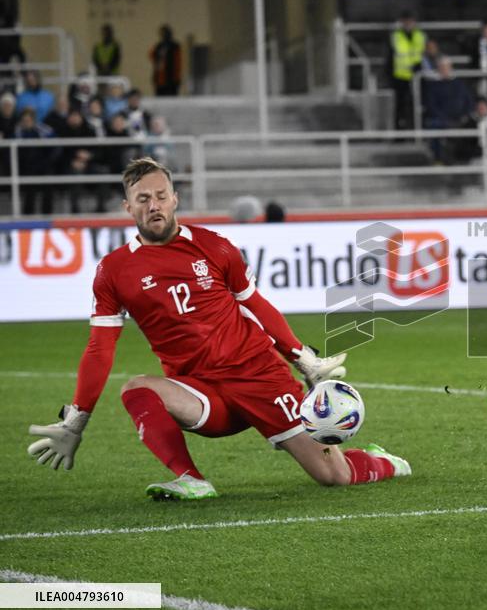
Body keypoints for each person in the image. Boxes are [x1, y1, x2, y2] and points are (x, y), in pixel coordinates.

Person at [26, 158, 411, 499]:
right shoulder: (113, 271)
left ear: (175, 198)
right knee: (137, 389)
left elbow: (256, 305)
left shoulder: (215, 247)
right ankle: (191, 479)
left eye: (160, 195)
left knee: (334, 476)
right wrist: (76, 420)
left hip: (260, 376)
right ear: (128, 207)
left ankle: (382, 462)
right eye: (143, 199)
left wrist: (302, 357)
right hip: (203, 394)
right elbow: (100, 348)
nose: (153, 205)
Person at [423, 57, 475, 162]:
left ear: (451, 68)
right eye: (441, 67)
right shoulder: (433, 86)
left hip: (461, 119)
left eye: (446, 67)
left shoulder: (460, 84)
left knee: (474, 124)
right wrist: (445, 120)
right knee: (434, 126)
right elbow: (431, 106)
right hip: (442, 120)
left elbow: (469, 103)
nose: (444, 70)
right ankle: (437, 158)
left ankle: (467, 158)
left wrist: (464, 116)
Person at [387, 11, 426, 130]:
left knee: (417, 105)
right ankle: (400, 132)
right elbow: (390, 57)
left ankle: (417, 130)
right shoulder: (395, 36)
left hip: (417, 75)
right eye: (406, 21)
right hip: (400, 76)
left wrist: (418, 67)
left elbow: (422, 54)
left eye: (411, 21)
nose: (408, 23)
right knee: (400, 106)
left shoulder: (420, 36)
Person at [150, 25, 182, 96]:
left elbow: (177, 64)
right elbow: (151, 56)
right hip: (159, 79)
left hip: (171, 79)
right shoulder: (159, 46)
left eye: (165, 33)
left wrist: (176, 79)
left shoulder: (174, 46)